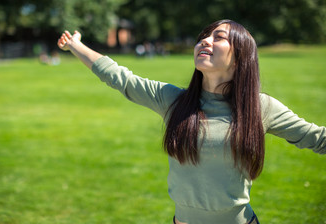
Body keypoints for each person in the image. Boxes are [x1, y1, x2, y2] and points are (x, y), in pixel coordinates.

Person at [57, 19, 325, 224]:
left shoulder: (260, 107)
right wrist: (75, 45)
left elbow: (317, 139)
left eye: (218, 37)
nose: (204, 41)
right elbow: (120, 77)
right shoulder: (173, 100)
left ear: (241, 56)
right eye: (202, 37)